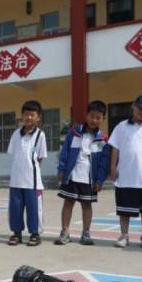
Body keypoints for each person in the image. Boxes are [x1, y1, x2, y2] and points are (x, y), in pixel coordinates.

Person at [109, 94, 142, 249]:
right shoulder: (121, 127)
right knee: (124, 210)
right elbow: (115, 149)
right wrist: (113, 168)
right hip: (125, 176)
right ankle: (124, 235)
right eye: (140, 108)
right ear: (133, 106)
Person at [55, 100, 111, 246]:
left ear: (103, 119)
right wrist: (61, 169)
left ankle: (86, 233)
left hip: (89, 178)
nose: (94, 120)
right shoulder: (74, 133)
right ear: (86, 116)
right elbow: (65, 152)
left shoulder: (103, 140)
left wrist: (100, 180)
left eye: (98, 118)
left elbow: (104, 164)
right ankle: (65, 232)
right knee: (68, 203)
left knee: (87, 205)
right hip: (72, 175)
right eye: (92, 116)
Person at [7, 100, 47, 247]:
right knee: (15, 207)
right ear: (22, 116)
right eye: (26, 114)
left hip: (32, 181)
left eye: (32, 115)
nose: (28, 117)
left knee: (33, 208)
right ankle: (16, 233)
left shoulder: (40, 135)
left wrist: (32, 170)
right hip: (16, 180)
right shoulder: (16, 134)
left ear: (38, 117)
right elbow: (14, 154)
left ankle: (35, 234)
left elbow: (40, 157)